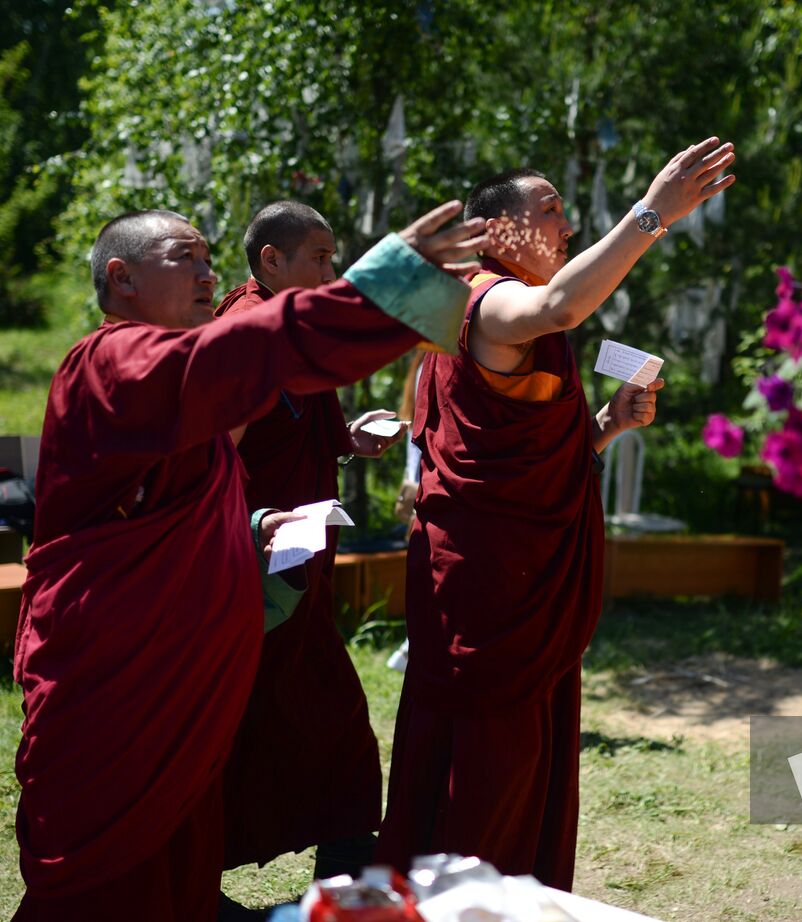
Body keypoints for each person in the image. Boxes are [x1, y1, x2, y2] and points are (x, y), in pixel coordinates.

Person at [11, 202, 486, 921]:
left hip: (182, 684)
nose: (207, 273)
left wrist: (258, 522)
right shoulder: (106, 359)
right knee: (100, 890)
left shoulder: (178, 385)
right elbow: (251, 351)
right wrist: (387, 282)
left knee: (178, 876)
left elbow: (188, 492)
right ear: (122, 277)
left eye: (208, 259)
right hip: (116, 684)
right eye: (184, 258)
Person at [376, 137, 735, 889]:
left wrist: (603, 426)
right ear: (495, 231)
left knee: (519, 757)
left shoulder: (506, 321)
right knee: (489, 766)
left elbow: (525, 447)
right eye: (550, 213)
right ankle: (462, 900)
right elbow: (561, 302)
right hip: (488, 589)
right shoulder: (489, 298)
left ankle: (498, 894)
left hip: (515, 575)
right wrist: (654, 211)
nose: (566, 229)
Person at [212, 201, 406, 903]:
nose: (332, 271)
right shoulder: (243, 329)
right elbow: (210, 458)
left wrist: (346, 435)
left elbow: (292, 426)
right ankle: (191, 887)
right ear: (271, 260)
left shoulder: (290, 332)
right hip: (253, 570)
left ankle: (339, 894)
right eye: (320, 258)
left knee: (329, 733)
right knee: (245, 734)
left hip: (299, 569)